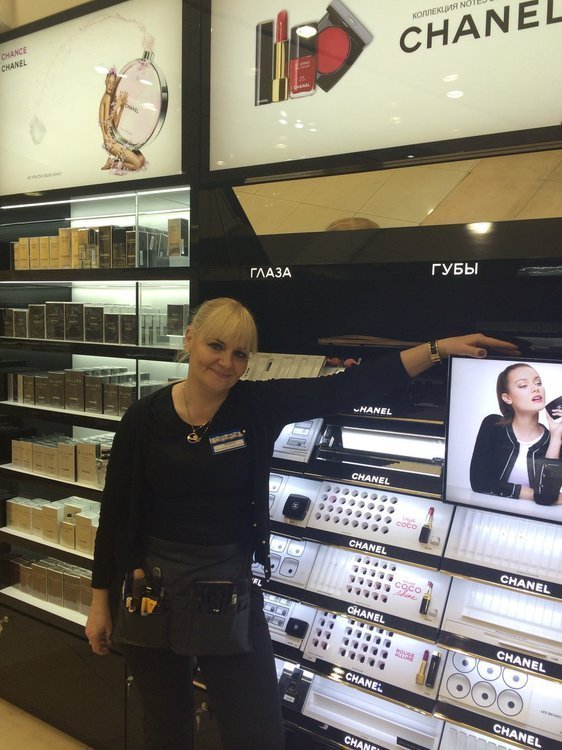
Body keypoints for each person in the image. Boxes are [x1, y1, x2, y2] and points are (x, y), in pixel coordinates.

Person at [85, 297, 518, 750]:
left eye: (239, 354)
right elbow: (113, 513)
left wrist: (437, 349)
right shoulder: (143, 418)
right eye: (216, 346)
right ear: (190, 339)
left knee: (259, 735)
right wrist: (100, 602)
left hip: (227, 589)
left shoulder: (254, 406)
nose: (226, 363)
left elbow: (346, 388)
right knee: (165, 733)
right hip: (151, 593)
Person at [470, 362, 562, 504]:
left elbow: (546, 498)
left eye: (538, 383)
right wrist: (534, 494)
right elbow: (479, 482)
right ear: (507, 398)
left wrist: (556, 437)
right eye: (523, 385)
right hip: (487, 511)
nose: (535, 389)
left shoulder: (555, 441)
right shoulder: (493, 426)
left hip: (533, 517)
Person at [99, 68, 145, 172]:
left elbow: (115, 125)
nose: (110, 86)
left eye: (113, 83)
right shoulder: (107, 98)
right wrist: (116, 106)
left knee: (141, 159)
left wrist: (122, 108)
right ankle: (111, 163)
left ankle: (114, 162)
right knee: (138, 164)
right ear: (105, 82)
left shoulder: (111, 99)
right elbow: (106, 127)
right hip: (110, 143)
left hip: (115, 139)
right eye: (109, 82)